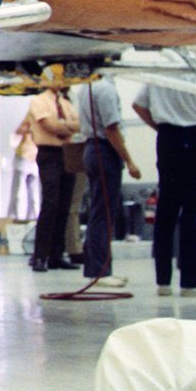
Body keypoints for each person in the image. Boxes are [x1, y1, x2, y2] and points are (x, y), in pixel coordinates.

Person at [132, 81, 196, 296]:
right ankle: (193, 282)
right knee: (193, 212)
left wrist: (160, 127)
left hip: (166, 139)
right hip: (194, 138)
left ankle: (163, 281)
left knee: (166, 210)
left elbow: (138, 105)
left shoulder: (156, 74)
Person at [74, 72, 140, 287]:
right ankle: (99, 271)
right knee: (103, 213)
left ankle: (101, 268)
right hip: (104, 151)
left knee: (100, 211)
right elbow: (111, 128)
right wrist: (129, 160)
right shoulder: (105, 89)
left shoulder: (86, 87)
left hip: (92, 149)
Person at [24, 72, 80, 271]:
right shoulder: (38, 101)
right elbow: (50, 126)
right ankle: (40, 256)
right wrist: (66, 127)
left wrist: (64, 126)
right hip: (49, 153)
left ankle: (57, 255)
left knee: (64, 204)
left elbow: (78, 124)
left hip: (67, 152)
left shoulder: (65, 103)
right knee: (50, 203)